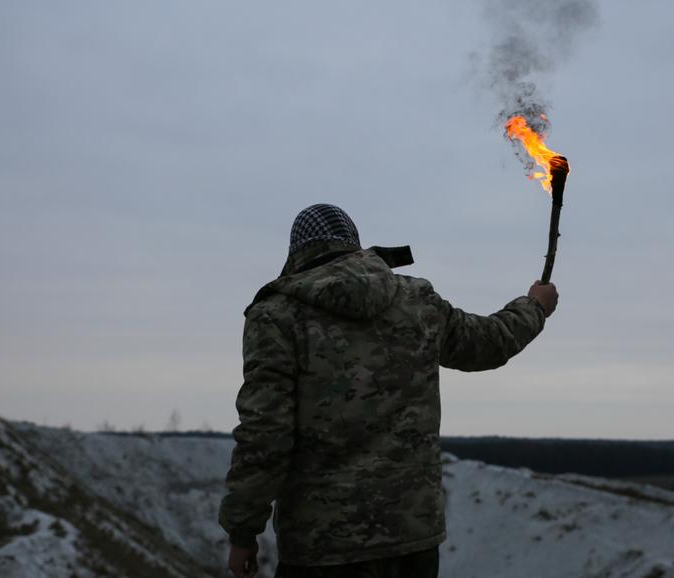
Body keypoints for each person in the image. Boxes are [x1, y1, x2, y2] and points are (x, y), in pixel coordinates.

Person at [219, 204, 558, 578]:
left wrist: (242, 531)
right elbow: (489, 343)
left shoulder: (276, 317)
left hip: (322, 546)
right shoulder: (417, 302)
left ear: (297, 254)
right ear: (355, 246)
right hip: (411, 539)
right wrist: (534, 307)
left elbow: (264, 435)